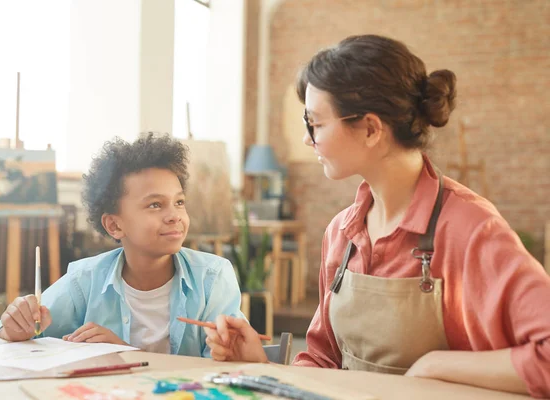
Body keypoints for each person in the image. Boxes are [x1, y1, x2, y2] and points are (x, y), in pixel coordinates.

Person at [203, 34, 550, 397]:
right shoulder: (342, 232)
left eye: (315, 124)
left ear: (370, 129)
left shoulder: (469, 228)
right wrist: (262, 365)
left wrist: (436, 366)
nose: (309, 139)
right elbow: (323, 363)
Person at [0, 133, 245, 358]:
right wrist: (12, 328)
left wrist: (124, 354)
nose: (174, 215)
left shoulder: (212, 278)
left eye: (179, 202)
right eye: (155, 204)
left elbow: (219, 372)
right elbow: (14, 336)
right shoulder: (85, 281)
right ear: (114, 225)